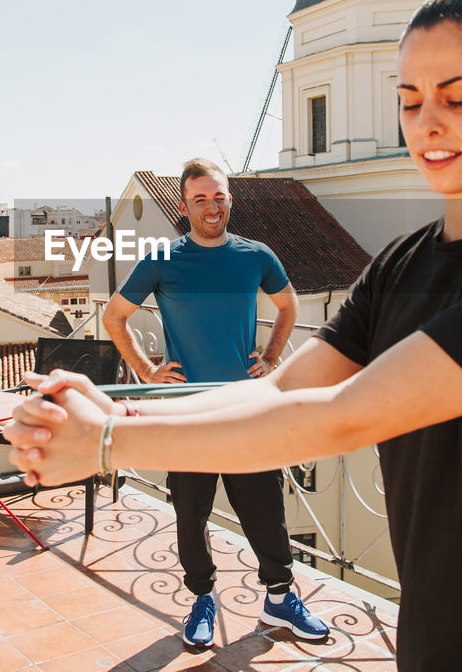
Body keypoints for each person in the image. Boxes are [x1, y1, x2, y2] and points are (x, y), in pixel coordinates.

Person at [6, 0, 462, 670]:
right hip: (437, 643)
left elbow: (345, 415)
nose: (427, 123)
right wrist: (118, 405)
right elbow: (283, 390)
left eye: (458, 97)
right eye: (408, 100)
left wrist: (107, 443)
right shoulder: (404, 262)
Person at [101, 157, 328, 647]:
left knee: (265, 512)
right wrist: (147, 371)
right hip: (189, 412)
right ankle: (203, 599)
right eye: (200, 198)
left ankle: (280, 598)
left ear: (231, 200)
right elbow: (114, 317)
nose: (210, 206)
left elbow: (289, 306)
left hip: (247, 408)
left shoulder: (256, 256)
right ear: (184, 206)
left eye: (218, 196)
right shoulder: (163, 260)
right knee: (191, 514)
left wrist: (270, 356)